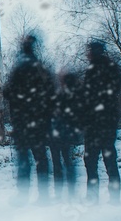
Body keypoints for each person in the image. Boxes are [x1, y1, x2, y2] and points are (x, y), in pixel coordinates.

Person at [4, 35, 56, 205]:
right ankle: (43, 195)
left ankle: (23, 195)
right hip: (38, 122)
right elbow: (50, 95)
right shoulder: (40, 68)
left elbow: (8, 92)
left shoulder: (19, 68)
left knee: (24, 158)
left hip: (22, 121)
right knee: (40, 157)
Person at [81, 41, 121, 204]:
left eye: (89, 50)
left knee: (91, 161)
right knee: (109, 159)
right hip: (108, 121)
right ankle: (114, 198)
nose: (87, 53)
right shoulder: (112, 68)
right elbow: (113, 91)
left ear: (94, 52)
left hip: (96, 122)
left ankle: (92, 198)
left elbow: (89, 96)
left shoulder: (94, 70)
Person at [50, 72, 83, 200]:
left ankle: (59, 193)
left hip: (57, 134)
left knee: (57, 164)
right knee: (67, 162)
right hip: (66, 135)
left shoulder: (61, 96)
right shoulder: (75, 96)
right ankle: (71, 192)